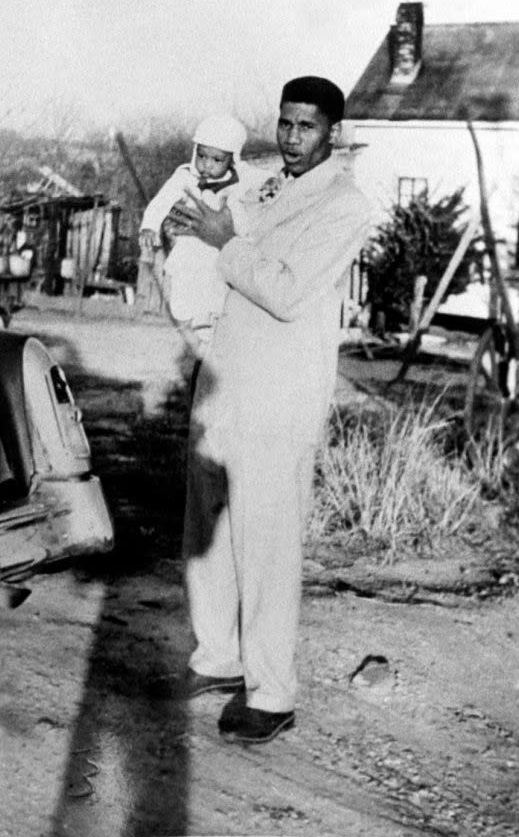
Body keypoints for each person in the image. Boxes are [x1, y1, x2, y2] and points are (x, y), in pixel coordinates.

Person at [166, 76, 371, 744]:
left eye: (306, 126)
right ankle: (217, 658)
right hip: (226, 386)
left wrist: (225, 243)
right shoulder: (262, 187)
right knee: (210, 535)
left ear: (331, 132)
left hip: (279, 400)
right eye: (285, 123)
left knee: (268, 547)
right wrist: (193, 234)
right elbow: (224, 247)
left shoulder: (344, 206)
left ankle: (273, 693)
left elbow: (283, 292)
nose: (291, 136)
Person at [139, 114, 265, 353]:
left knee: (216, 293)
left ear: (232, 160)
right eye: (202, 156)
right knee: (184, 289)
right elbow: (162, 201)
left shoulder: (241, 180)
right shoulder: (185, 177)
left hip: (219, 250)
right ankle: (188, 328)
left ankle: (209, 334)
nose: (206, 164)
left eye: (216, 159)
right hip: (191, 246)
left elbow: (263, 180)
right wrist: (149, 225)